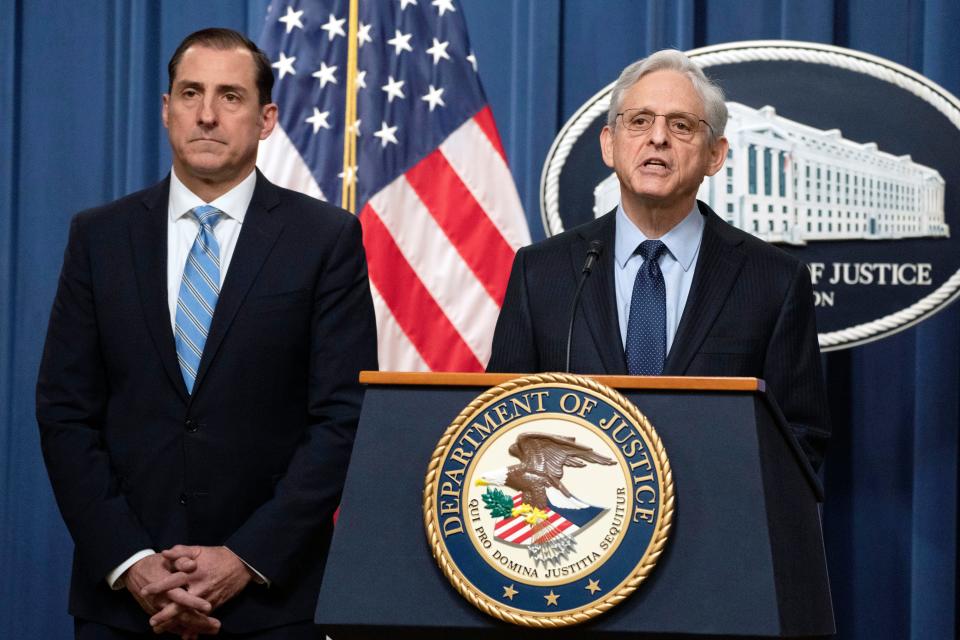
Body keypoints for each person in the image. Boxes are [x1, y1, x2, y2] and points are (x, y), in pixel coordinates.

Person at [36, 28, 377, 639]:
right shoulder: (99, 237)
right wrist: (132, 561)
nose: (208, 114)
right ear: (166, 109)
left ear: (266, 118)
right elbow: (65, 413)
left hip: (273, 605)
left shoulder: (325, 240)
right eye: (190, 93)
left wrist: (245, 558)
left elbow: (342, 419)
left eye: (231, 96)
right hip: (124, 604)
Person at [488, 50, 829, 471]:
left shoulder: (774, 280)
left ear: (714, 155)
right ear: (610, 144)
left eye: (681, 125)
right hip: (578, 526)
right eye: (639, 121)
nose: (658, 138)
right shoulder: (540, 273)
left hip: (715, 529)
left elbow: (801, 441)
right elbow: (500, 424)